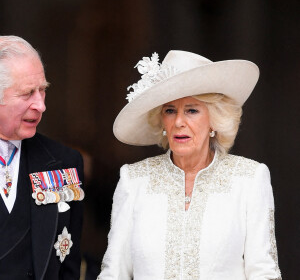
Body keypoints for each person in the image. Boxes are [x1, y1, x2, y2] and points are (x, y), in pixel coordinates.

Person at [97, 51, 281, 279]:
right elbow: (114, 273)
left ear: (214, 118)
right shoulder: (134, 180)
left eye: (192, 110)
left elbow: (264, 272)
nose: (179, 122)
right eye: (170, 111)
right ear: (161, 119)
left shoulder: (249, 178)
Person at [0, 35, 84, 280]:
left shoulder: (64, 162)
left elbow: (69, 266)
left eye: (42, 90)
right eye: (28, 93)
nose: (41, 105)